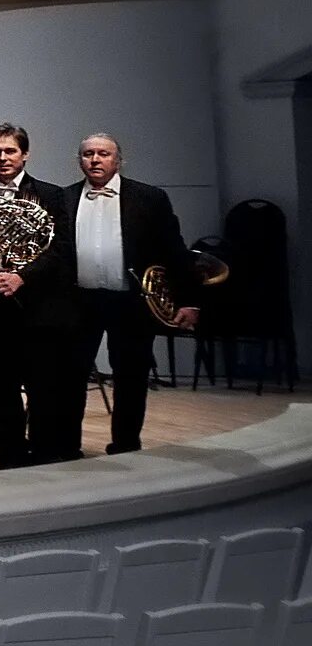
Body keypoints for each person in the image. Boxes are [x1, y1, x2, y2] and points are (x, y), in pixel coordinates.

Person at [69, 133, 198, 456]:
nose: (95, 160)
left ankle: (126, 445)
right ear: (79, 160)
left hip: (129, 301)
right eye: (88, 154)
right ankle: (67, 446)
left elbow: (175, 252)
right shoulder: (65, 198)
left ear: (118, 160)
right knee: (71, 376)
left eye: (103, 154)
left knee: (130, 376)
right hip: (79, 301)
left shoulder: (149, 198)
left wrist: (189, 300)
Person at [0, 122, 74, 465]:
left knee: (41, 388)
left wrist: (22, 277)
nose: (3, 157)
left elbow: (60, 250)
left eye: (10, 151)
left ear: (25, 154)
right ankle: (10, 459)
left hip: (36, 307)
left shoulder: (51, 195)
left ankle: (43, 455)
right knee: (0, 388)